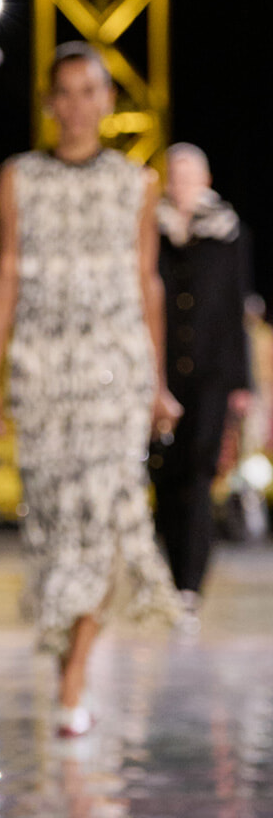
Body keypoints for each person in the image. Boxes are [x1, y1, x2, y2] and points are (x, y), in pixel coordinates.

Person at [0, 43, 180, 734]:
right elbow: (6, 271)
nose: (77, 105)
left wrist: (157, 382)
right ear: (48, 103)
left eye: (90, 91)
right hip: (43, 372)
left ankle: (75, 676)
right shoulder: (19, 179)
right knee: (53, 523)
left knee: (107, 519)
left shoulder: (137, 183)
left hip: (114, 371)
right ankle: (69, 650)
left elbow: (147, 280)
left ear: (108, 101)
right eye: (64, 92)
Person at [151, 143, 253, 623]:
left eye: (190, 175)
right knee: (165, 473)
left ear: (206, 181)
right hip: (161, 373)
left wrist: (242, 382)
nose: (182, 184)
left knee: (199, 470)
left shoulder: (229, 233)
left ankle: (189, 583)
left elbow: (236, 308)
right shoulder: (151, 230)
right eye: (175, 175)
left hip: (212, 374)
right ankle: (170, 574)